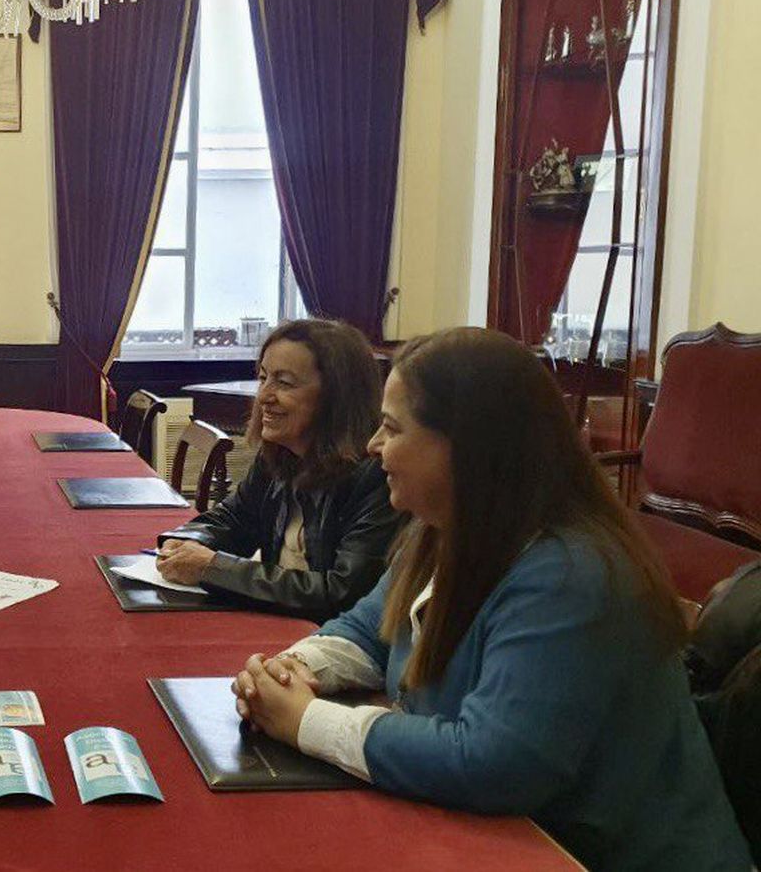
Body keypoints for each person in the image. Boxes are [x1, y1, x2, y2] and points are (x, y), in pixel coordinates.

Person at [230, 327, 750, 870]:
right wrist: (288, 672)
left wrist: (307, 721)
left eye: (391, 428)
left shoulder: (569, 572)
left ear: (464, 448)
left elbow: (494, 763)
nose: (372, 446)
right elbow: (368, 631)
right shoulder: (441, 530)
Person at [154, 319, 401, 620]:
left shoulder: (378, 475)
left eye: (283, 383)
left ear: (336, 396)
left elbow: (342, 593)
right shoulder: (278, 455)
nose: (264, 396)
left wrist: (212, 568)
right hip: (278, 624)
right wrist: (186, 543)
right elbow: (234, 518)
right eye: (263, 378)